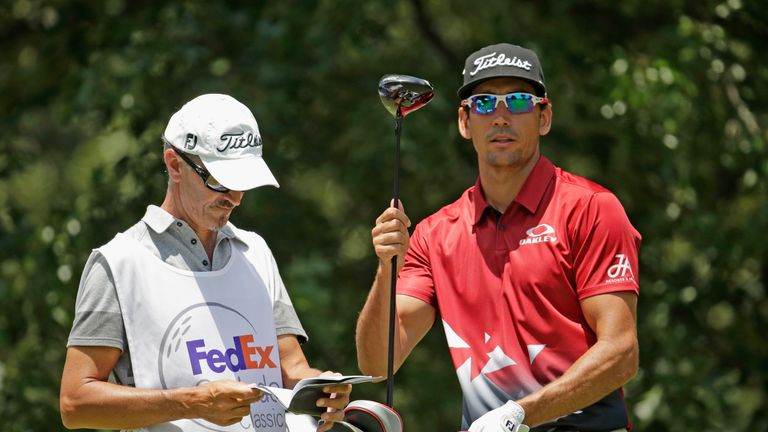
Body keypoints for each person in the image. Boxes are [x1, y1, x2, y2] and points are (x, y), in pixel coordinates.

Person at [356, 43, 640, 432]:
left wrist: (520, 414)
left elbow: (621, 353)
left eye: (520, 101)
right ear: (464, 122)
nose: (501, 117)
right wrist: (388, 268)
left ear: (544, 117)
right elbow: (377, 364)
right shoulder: (435, 233)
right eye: (485, 103)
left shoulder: (591, 208)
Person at [60, 93, 351, 432]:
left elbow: (292, 368)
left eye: (244, 183)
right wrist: (194, 403)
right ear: (174, 164)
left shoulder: (255, 251)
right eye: (220, 180)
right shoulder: (118, 262)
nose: (236, 198)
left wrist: (321, 390)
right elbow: (75, 403)